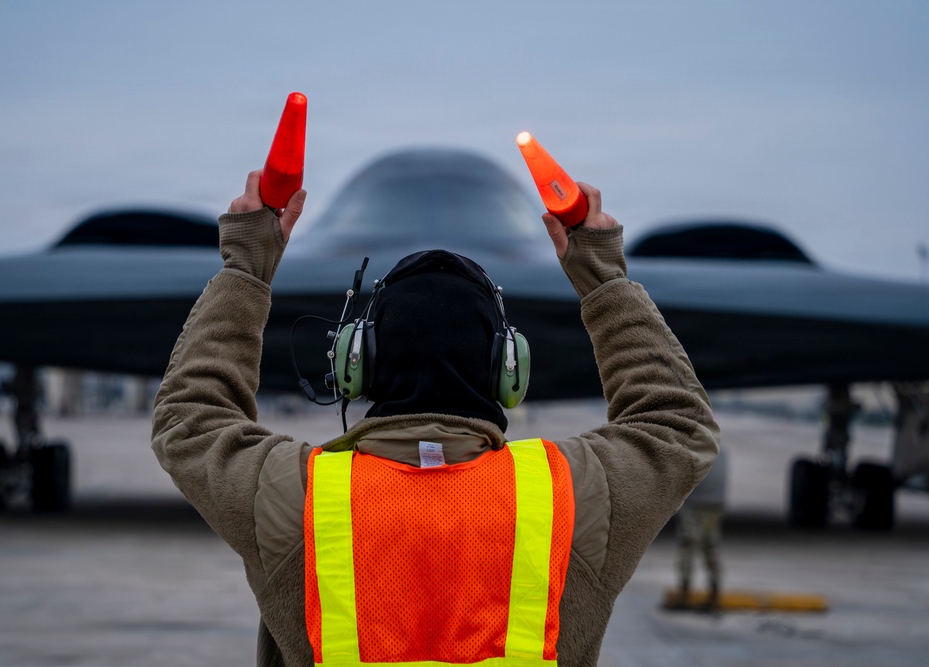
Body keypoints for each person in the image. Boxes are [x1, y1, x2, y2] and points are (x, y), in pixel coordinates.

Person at [152, 168, 719, 667]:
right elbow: (676, 422)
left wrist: (247, 267)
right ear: (507, 369)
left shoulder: (293, 496)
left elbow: (190, 417)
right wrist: (604, 278)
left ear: (358, 365)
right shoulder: (573, 496)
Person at [674, 443, 728, 610]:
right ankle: (713, 593)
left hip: (696, 504)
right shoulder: (721, 450)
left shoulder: (693, 449)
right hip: (713, 504)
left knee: (688, 545)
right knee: (710, 546)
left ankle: (685, 592)